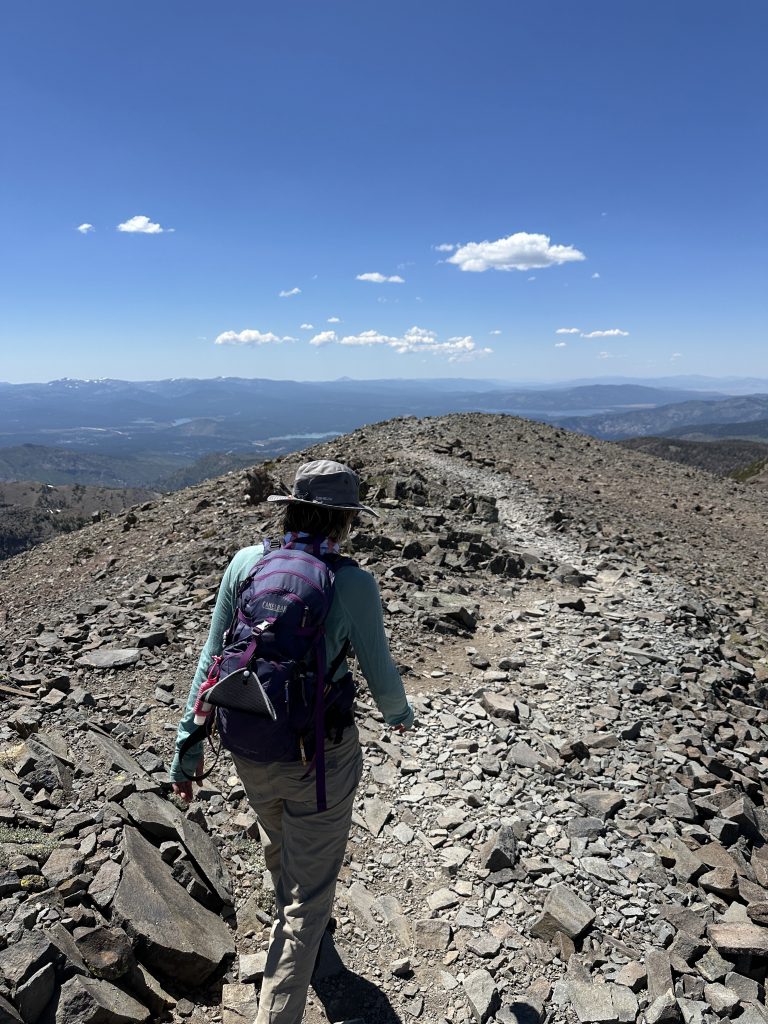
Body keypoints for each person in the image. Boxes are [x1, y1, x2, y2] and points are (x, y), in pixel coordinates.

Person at [170, 459, 413, 1024]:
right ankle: (277, 1011)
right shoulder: (350, 581)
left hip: (249, 743)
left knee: (276, 832)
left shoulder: (245, 564)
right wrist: (399, 715)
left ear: (291, 508)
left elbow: (212, 663)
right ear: (344, 521)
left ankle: (289, 908)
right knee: (311, 900)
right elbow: (379, 672)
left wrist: (188, 744)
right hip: (320, 756)